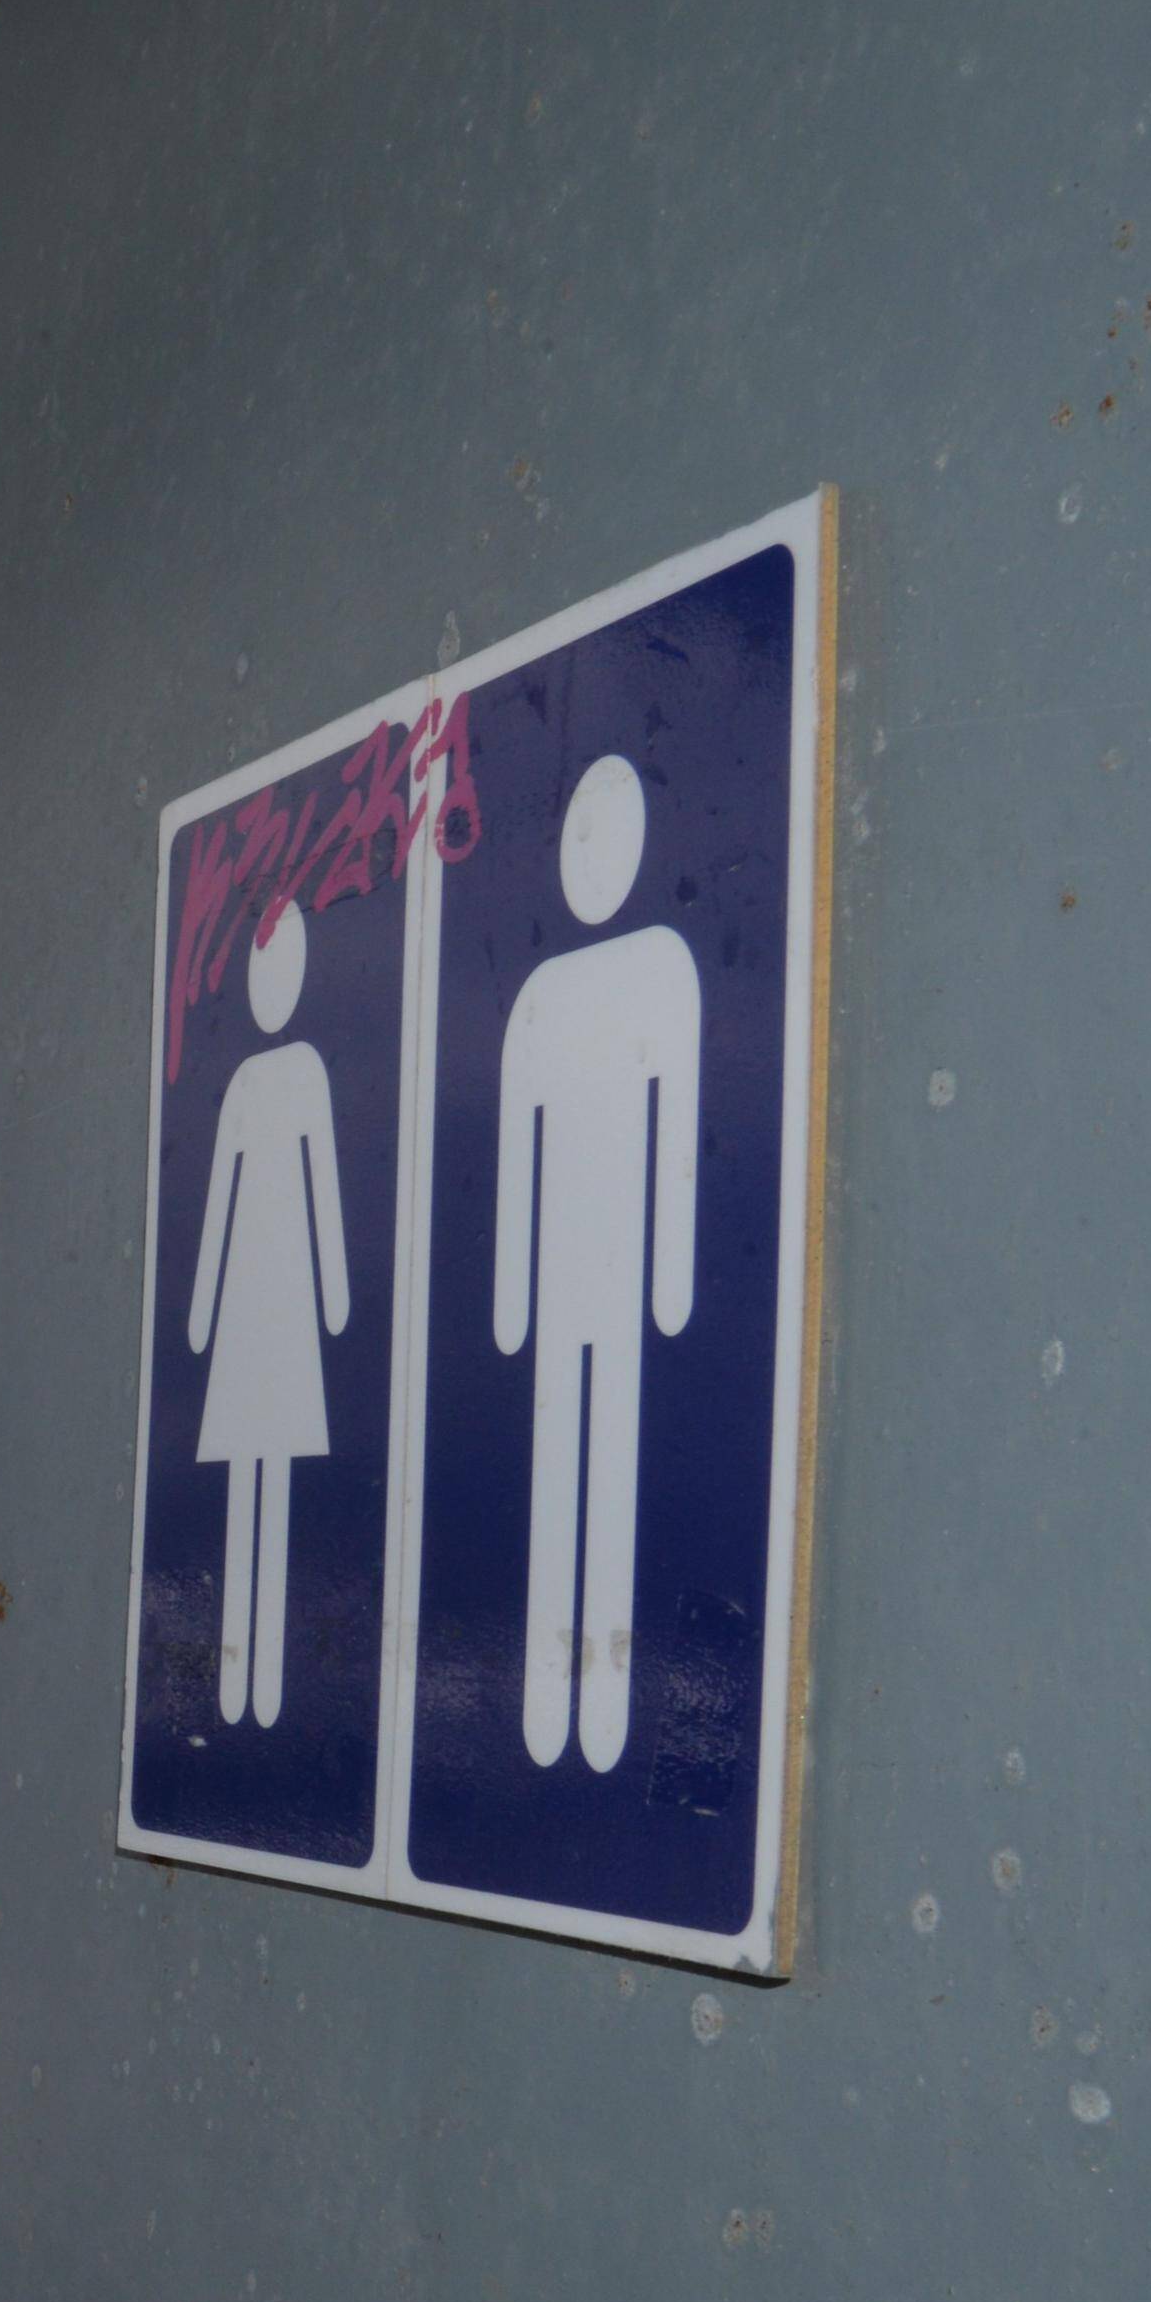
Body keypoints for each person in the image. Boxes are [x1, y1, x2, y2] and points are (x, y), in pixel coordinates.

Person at [490, 751, 700, 1772]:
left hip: (612, 1284)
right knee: (556, 1467)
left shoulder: (664, 966)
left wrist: (669, 1282)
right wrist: (507, 1301)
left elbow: (679, 1139)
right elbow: (512, 1152)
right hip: (565, 1274)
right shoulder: (534, 997)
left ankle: (604, 1707)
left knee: (605, 1466)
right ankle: (542, 1699)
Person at [185, 900, 348, 1726]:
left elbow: (323, 1188)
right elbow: (218, 1197)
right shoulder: (248, 1083)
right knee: (252, 1470)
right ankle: (234, 1675)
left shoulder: (304, 1076)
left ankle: (265, 1684)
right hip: (256, 1305)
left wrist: (333, 1296)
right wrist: (205, 1310)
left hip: (277, 1308)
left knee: (272, 1471)